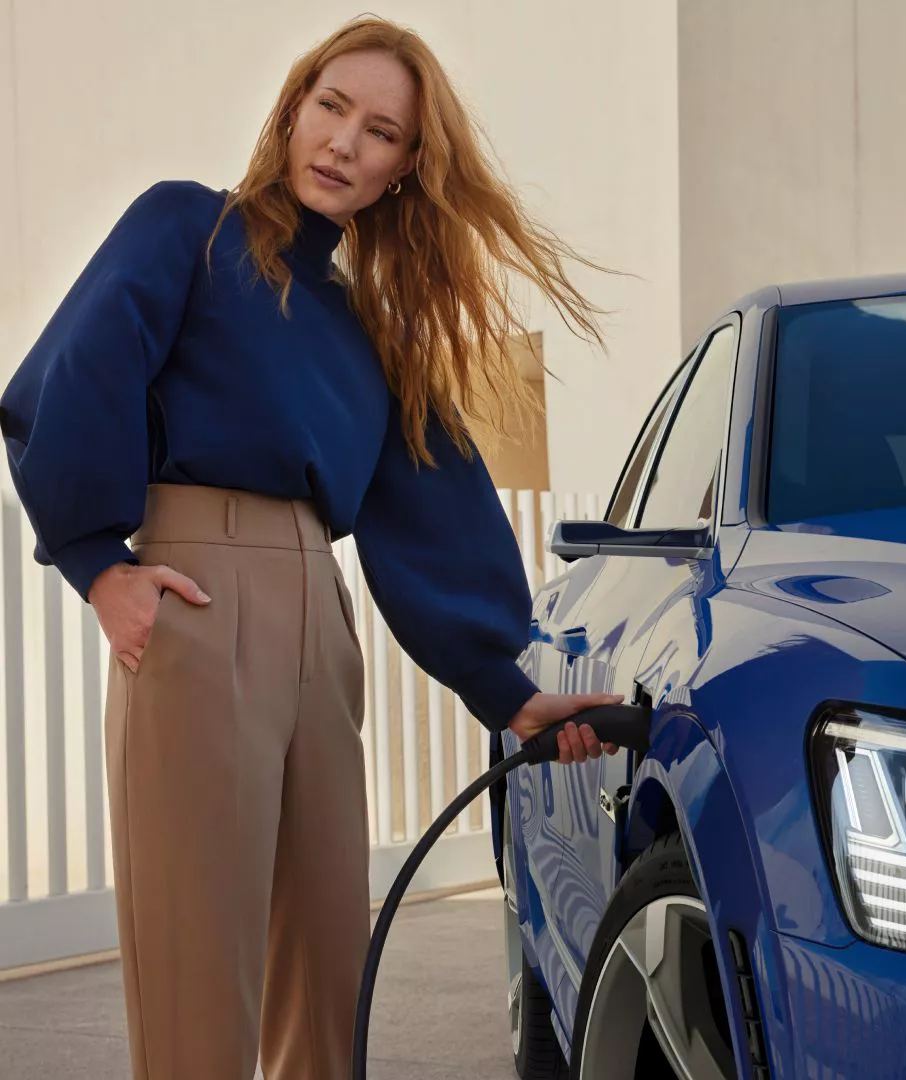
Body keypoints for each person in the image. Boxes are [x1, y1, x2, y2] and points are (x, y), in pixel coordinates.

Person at [0, 15, 622, 1080]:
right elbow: (71, 373)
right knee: (200, 964)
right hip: (197, 595)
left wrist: (506, 690)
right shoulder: (185, 230)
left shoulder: (366, 329)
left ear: (404, 171)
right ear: (292, 109)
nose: (343, 143)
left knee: (326, 961)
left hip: (318, 628)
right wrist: (99, 563)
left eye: (380, 132)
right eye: (330, 107)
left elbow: (428, 507)